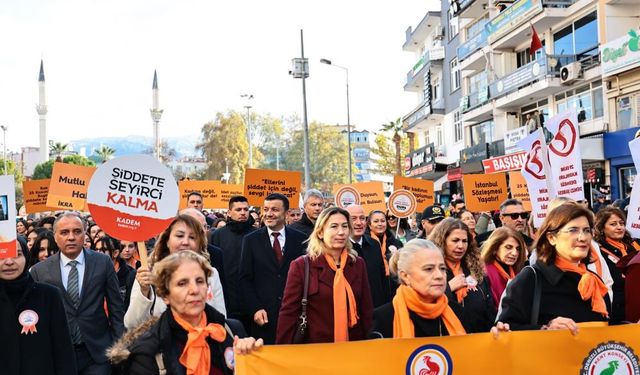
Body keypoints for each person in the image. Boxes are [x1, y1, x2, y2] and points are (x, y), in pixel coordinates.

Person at [108, 251, 263, 375]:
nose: (194, 290)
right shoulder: (148, 351)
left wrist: (251, 361)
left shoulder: (232, 332)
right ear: (165, 295)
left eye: (200, 281)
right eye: (182, 283)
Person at [30, 212, 125, 375]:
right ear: (55, 236)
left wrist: (118, 346)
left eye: (77, 231)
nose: (71, 237)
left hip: (98, 353)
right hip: (58, 352)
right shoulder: (40, 270)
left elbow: (116, 308)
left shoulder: (103, 263)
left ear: (84, 233)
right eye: (64, 232)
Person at [497, 204, 612, 333]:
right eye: (573, 230)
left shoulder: (594, 280)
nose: (583, 237)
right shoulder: (531, 278)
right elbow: (508, 329)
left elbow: (611, 329)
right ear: (552, 238)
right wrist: (545, 329)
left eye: (587, 230)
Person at [277, 207, 373, 344]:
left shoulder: (357, 264)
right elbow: (289, 313)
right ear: (320, 232)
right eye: (334, 226)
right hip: (316, 350)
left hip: (353, 348)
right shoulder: (302, 266)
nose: (341, 232)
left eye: (345, 226)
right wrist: (282, 354)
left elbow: (366, 310)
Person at [125, 214, 226, 329]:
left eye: (192, 237)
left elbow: (221, 320)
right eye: (180, 235)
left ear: (199, 244)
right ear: (167, 241)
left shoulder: (211, 274)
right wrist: (144, 291)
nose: (185, 242)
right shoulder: (149, 273)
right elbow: (131, 324)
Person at [0, 236, 77, 375]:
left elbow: (63, 351)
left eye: (17, 254)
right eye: (2, 254)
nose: (9, 262)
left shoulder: (49, 295)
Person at [239, 193, 306, 344]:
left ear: (287, 213)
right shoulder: (251, 240)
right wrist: (255, 308)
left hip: (294, 317)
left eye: (274, 209)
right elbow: (245, 279)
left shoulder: (301, 240)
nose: (269, 214)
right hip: (263, 318)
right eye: (266, 209)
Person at [372, 239, 467, 338]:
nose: (439, 275)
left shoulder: (458, 312)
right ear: (405, 276)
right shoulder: (383, 319)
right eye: (429, 269)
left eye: (442, 268)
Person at [429, 218, 496, 333]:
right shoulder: (430, 269)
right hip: (448, 341)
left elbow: (488, 306)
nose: (461, 246)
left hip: (479, 339)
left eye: (464, 241)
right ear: (442, 241)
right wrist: (448, 288)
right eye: (455, 240)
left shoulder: (475, 268)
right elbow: (426, 304)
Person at [211, 195, 256, 328]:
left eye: (246, 209)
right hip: (226, 297)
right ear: (229, 212)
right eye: (238, 210)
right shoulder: (218, 235)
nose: (243, 212)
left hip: (252, 301)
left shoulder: (258, 234)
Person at [594, 207, 639, 322]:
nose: (619, 227)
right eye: (613, 224)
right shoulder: (598, 252)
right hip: (618, 311)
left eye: (621, 223)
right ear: (602, 228)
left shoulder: (635, 245)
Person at [347, 205, 391, 308]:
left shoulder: (374, 244)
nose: (359, 223)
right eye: (353, 219)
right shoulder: (341, 248)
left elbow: (383, 278)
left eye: (362, 218)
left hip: (377, 309)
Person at [480, 227, 527, 309]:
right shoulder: (484, 272)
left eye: (518, 249)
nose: (514, 253)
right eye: (508, 247)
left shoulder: (519, 271)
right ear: (495, 248)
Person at [95, 236, 136, 305]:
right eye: (96, 250)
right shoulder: (91, 272)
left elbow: (131, 305)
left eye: (103, 250)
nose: (98, 253)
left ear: (115, 253)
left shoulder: (130, 274)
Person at [366, 210, 403, 277]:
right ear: (369, 225)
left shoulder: (396, 243)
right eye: (376, 221)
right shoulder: (365, 244)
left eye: (383, 221)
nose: (380, 224)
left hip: (393, 284)